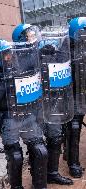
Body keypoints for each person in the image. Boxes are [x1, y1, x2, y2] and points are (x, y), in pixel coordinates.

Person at [0, 39, 48, 189]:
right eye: (6, 54)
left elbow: (31, 65)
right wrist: (7, 81)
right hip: (8, 119)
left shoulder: (14, 66)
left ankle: (40, 185)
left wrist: (41, 53)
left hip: (27, 114)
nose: (10, 56)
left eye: (10, 53)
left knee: (40, 151)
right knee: (15, 157)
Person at [13, 24, 73, 185]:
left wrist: (60, 50)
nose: (34, 36)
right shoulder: (16, 56)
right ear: (21, 38)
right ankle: (38, 179)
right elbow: (24, 69)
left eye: (34, 33)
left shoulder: (41, 50)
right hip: (31, 110)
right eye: (30, 34)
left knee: (55, 137)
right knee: (37, 146)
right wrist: (39, 54)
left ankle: (52, 173)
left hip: (49, 104)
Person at [62, 17, 86, 178]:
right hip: (72, 96)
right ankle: (73, 163)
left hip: (84, 93)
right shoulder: (64, 52)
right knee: (74, 128)